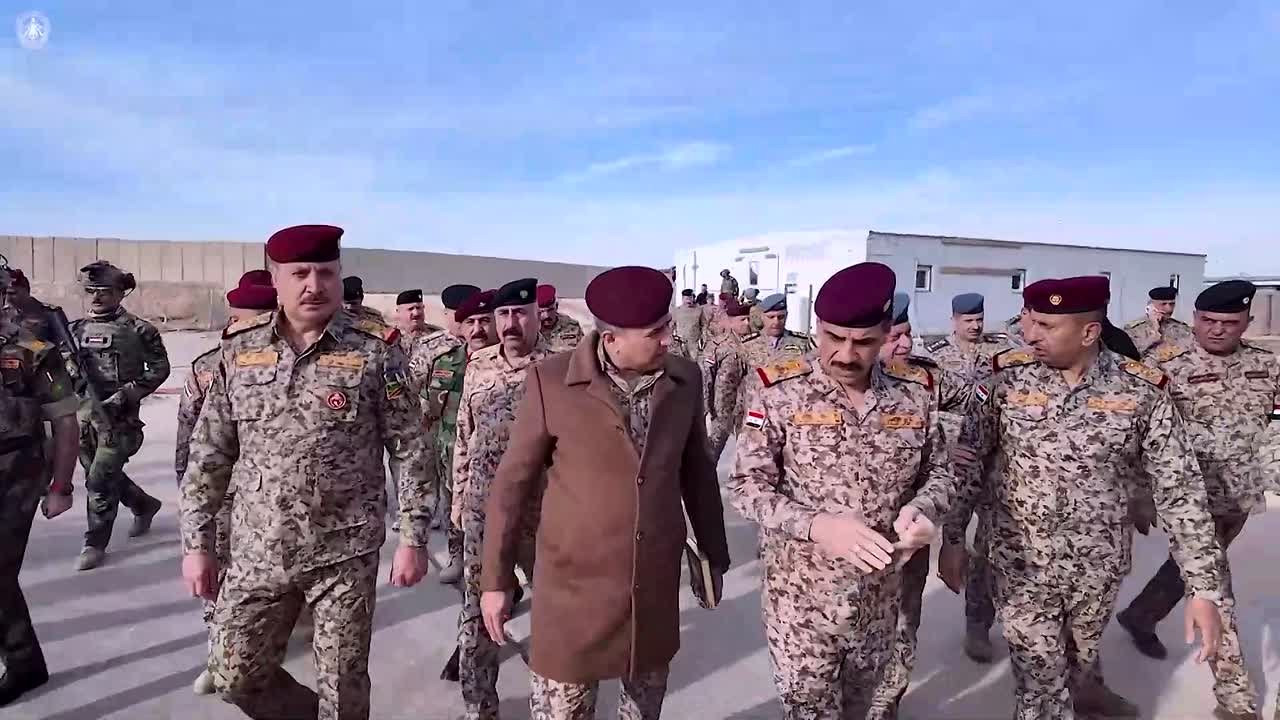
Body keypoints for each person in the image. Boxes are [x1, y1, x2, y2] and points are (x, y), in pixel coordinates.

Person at [179, 224, 437, 720]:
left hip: (345, 551)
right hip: (258, 547)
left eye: (326, 273)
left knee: (343, 687)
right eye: (300, 274)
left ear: (340, 276)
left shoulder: (375, 349)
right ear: (276, 279)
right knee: (234, 674)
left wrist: (414, 537)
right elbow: (209, 452)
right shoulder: (239, 350)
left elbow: (410, 448)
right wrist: (197, 544)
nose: (314, 285)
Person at [939, 275, 1227, 720]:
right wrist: (954, 538)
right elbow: (970, 462)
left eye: (1047, 326)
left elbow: (1181, 490)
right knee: (1039, 683)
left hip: (1099, 563)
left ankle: (1087, 693)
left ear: (1089, 332)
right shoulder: (1004, 380)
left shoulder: (1141, 390)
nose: (1031, 334)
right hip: (1020, 562)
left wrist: (1203, 587)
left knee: (1081, 653)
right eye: (1031, 321)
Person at [479, 265, 729, 720]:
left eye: (667, 326)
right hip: (573, 592)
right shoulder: (551, 382)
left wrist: (713, 554)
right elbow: (511, 486)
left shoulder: (684, 379)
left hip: (651, 586)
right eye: (655, 333)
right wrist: (495, 581)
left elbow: (697, 472)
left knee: (644, 708)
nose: (668, 340)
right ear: (611, 338)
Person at [728, 263, 954, 719]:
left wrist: (924, 511)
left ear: (886, 333)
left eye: (863, 342)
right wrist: (817, 526)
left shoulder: (915, 393)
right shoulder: (778, 390)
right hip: (801, 602)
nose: (846, 355)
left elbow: (941, 473)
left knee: (863, 708)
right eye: (834, 337)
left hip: (880, 600)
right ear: (817, 327)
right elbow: (745, 484)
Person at [1114, 280, 1269, 720]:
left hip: (1238, 496)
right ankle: (1236, 700)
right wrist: (1139, 494)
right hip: (1188, 500)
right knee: (1215, 587)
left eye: (1229, 322)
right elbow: (1134, 435)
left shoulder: (1266, 366)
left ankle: (1141, 615)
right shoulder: (1163, 366)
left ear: (1246, 323)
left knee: (1188, 568)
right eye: (1209, 320)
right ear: (1196, 319)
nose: (1217, 330)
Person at [452, 278, 551, 719]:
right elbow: (464, 435)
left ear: (536, 316)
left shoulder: (560, 367)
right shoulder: (478, 365)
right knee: (477, 613)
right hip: (482, 510)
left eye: (520, 314)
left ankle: (552, 704)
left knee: (550, 611)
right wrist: (458, 500)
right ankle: (479, 707)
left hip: (542, 512)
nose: (511, 324)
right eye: (504, 315)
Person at [175, 271, 278, 696]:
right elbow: (187, 431)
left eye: (251, 318)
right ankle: (218, 653)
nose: (241, 327)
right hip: (221, 492)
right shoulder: (207, 366)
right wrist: (187, 488)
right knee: (217, 571)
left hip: (272, 495)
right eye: (238, 319)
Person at [0, 266, 80, 708]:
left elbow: (65, 420)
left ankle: (24, 663)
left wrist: (61, 486)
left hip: (16, 472)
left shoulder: (31, 350)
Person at [71, 260, 168, 571]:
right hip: (83, 420)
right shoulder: (73, 330)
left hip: (119, 421)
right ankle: (144, 504)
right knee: (98, 475)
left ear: (120, 293)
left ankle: (94, 542)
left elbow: (159, 369)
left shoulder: (139, 330)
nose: (97, 297)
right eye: (91, 291)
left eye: (104, 291)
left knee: (100, 480)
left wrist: (126, 395)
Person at [429, 287, 498, 585]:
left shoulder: (509, 362)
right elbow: (430, 408)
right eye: (470, 322)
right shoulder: (447, 361)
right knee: (453, 510)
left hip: (494, 457)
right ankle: (457, 557)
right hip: (452, 453)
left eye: (485, 321)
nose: (478, 330)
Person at [704, 298, 755, 462]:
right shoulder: (719, 345)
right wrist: (705, 407)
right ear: (731, 322)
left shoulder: (755, 345)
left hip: (747, 407)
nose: (747, 324)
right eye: (742, 320)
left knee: (749, 451)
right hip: (721, 407)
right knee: (711, 452)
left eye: (748, 319)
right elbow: (706, 377)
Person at [925, 293, 1003, 378]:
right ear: (954, 321)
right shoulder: (935, 354)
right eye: (968, 321)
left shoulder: (998, 349)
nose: (976, 326)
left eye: (979, 320)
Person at [739, 293, 811, 368]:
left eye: (781, 317)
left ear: (786, 316)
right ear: (762, 317)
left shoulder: (802, 342)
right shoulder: (747, 345)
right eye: (771, 317)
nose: (776, 322)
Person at [1126, 285, 1193, 357]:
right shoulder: (1133, 330)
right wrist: (1154, 330)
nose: (1169, 309)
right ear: (1151, 306)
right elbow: (1129, 354)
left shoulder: (1181, 328)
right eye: (1163, 304)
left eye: (1172, 304)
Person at [536, 284, 583, 352]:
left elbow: (582, 352)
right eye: (541, 312)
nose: (547, 316)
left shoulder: (572, 326)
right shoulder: (529, 330)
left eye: (550, 310)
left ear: (557, 306)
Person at [670, 289, 706, 361]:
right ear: (682, 299)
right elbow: (671, 326)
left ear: (693, 298)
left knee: (694, 362)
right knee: (681, 362)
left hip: (694, 343)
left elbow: (704, 325)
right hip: (680, 343)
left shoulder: (699, 310)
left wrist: (704, 339)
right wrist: (671, 340)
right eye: (686, 299)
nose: (688, 301)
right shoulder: (677, 310)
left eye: (690, 298)